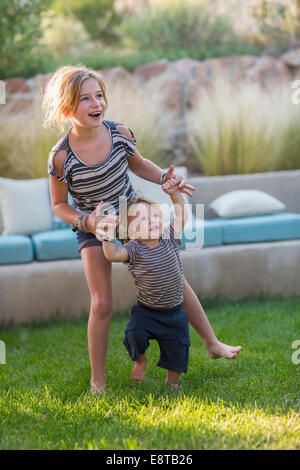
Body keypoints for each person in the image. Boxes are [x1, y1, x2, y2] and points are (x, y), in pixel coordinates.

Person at [44, 64, 242, 394]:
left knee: (173, 278)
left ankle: (211, 342)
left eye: (99, 96)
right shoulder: (61, 157)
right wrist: (88, 221)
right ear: (66, 108)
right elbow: (58, 206)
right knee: (102, 303)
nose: (96, 104)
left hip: (134, 214)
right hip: (95, 226)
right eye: (85, 99)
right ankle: (98, 379)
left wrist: (165, 178)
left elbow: (139, 164)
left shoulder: (118, 133)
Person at [100, 178, 191, 388]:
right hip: (147, 311)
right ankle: (140, 360)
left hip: (174, 312)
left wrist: (174, 194)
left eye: (154, 216)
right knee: (134, 335)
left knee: (177, 349)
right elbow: (112, 255)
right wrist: (106, 236)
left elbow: (181, 215)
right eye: (142, 220)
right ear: (131, 233)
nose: (151, 221)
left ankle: (172, 383)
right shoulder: (134, 248)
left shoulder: (169, 236)